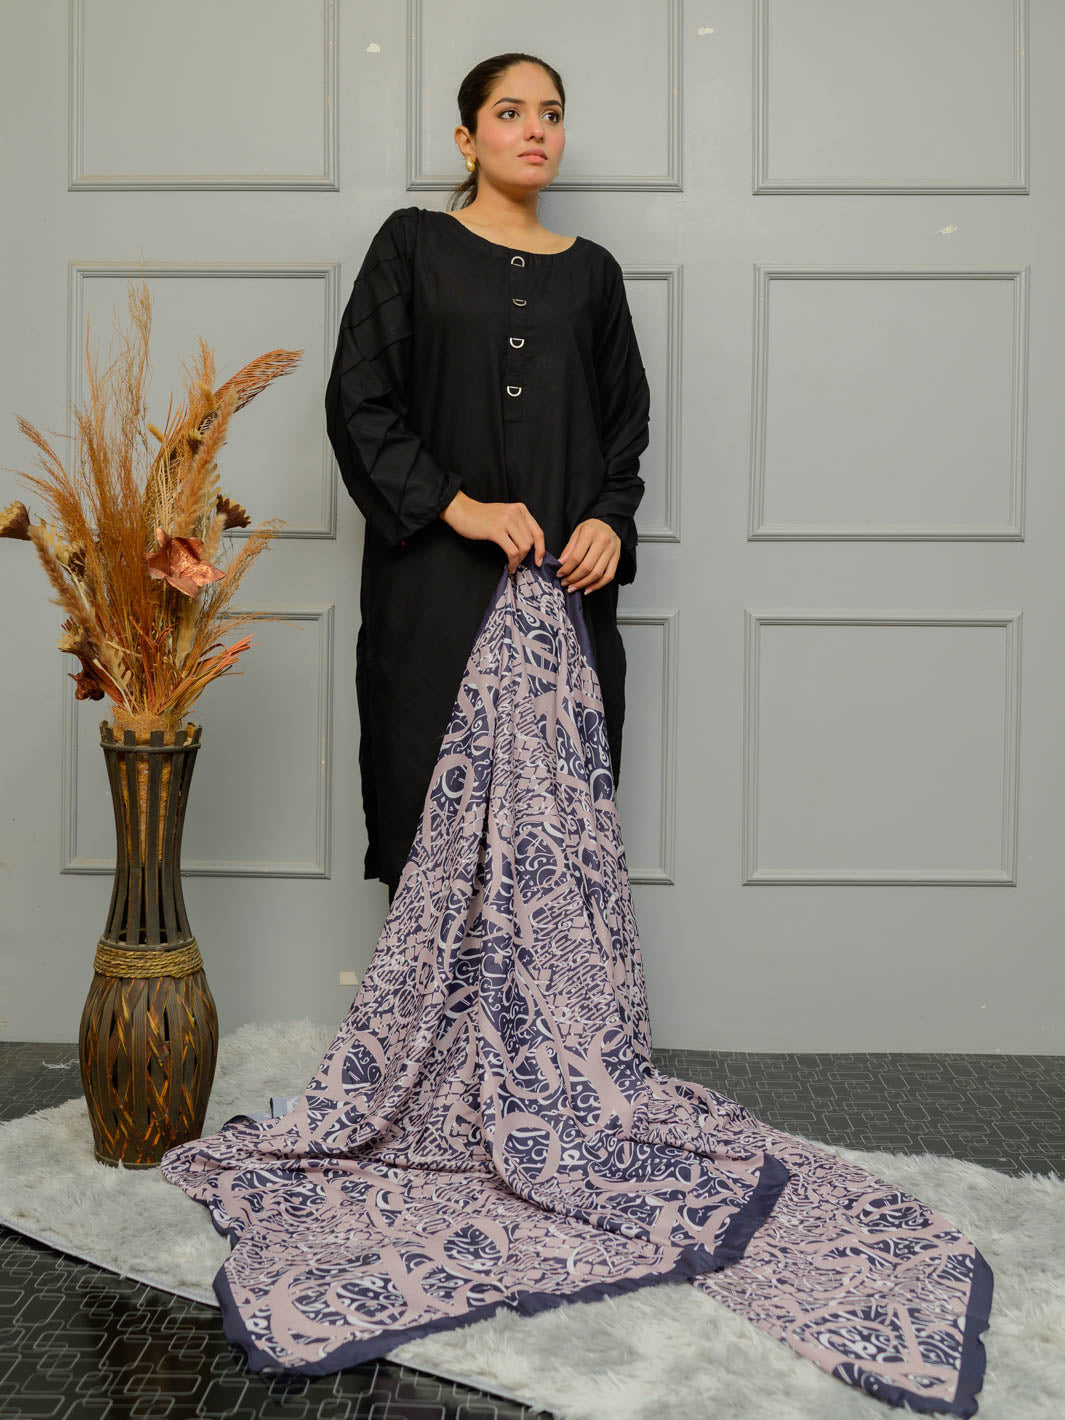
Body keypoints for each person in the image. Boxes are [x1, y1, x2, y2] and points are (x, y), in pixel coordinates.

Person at [324, 52, 650, 905]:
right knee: (430, 813)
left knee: (558, 834)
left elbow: (625, 427)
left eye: (551, 113)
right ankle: (430, 997)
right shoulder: (412, 244)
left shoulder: (593, 273)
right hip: (435, 583)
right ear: (466, 140)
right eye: (510, 112)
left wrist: (609, 520)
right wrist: (456, 505)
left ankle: (557, 998)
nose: (535, 129)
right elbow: (359, 399)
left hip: (561, 590)